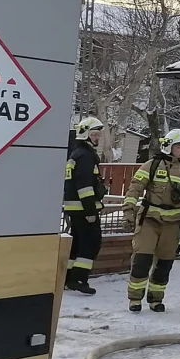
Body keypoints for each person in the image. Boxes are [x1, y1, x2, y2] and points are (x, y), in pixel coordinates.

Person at [123, 129, 180, 313]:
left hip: (174, 223)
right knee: (142, 260)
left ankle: (156, 299)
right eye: (179, 147)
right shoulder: (152, 165)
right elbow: (135, 187)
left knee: (164, 264)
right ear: (169, 146)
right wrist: (129, 209)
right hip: (150, 221)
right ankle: (135, 299)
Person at [63, 116, 107, 295]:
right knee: (90, 243)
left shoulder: (78, 153)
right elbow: (85, 186)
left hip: (76, 208)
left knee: (78, 243)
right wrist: (90, 210)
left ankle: (69, 278)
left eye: (98, 134)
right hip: (83, 208)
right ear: (85, 135)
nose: (97, 138)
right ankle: (79, 279)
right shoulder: (85, 156)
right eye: (94, 134)